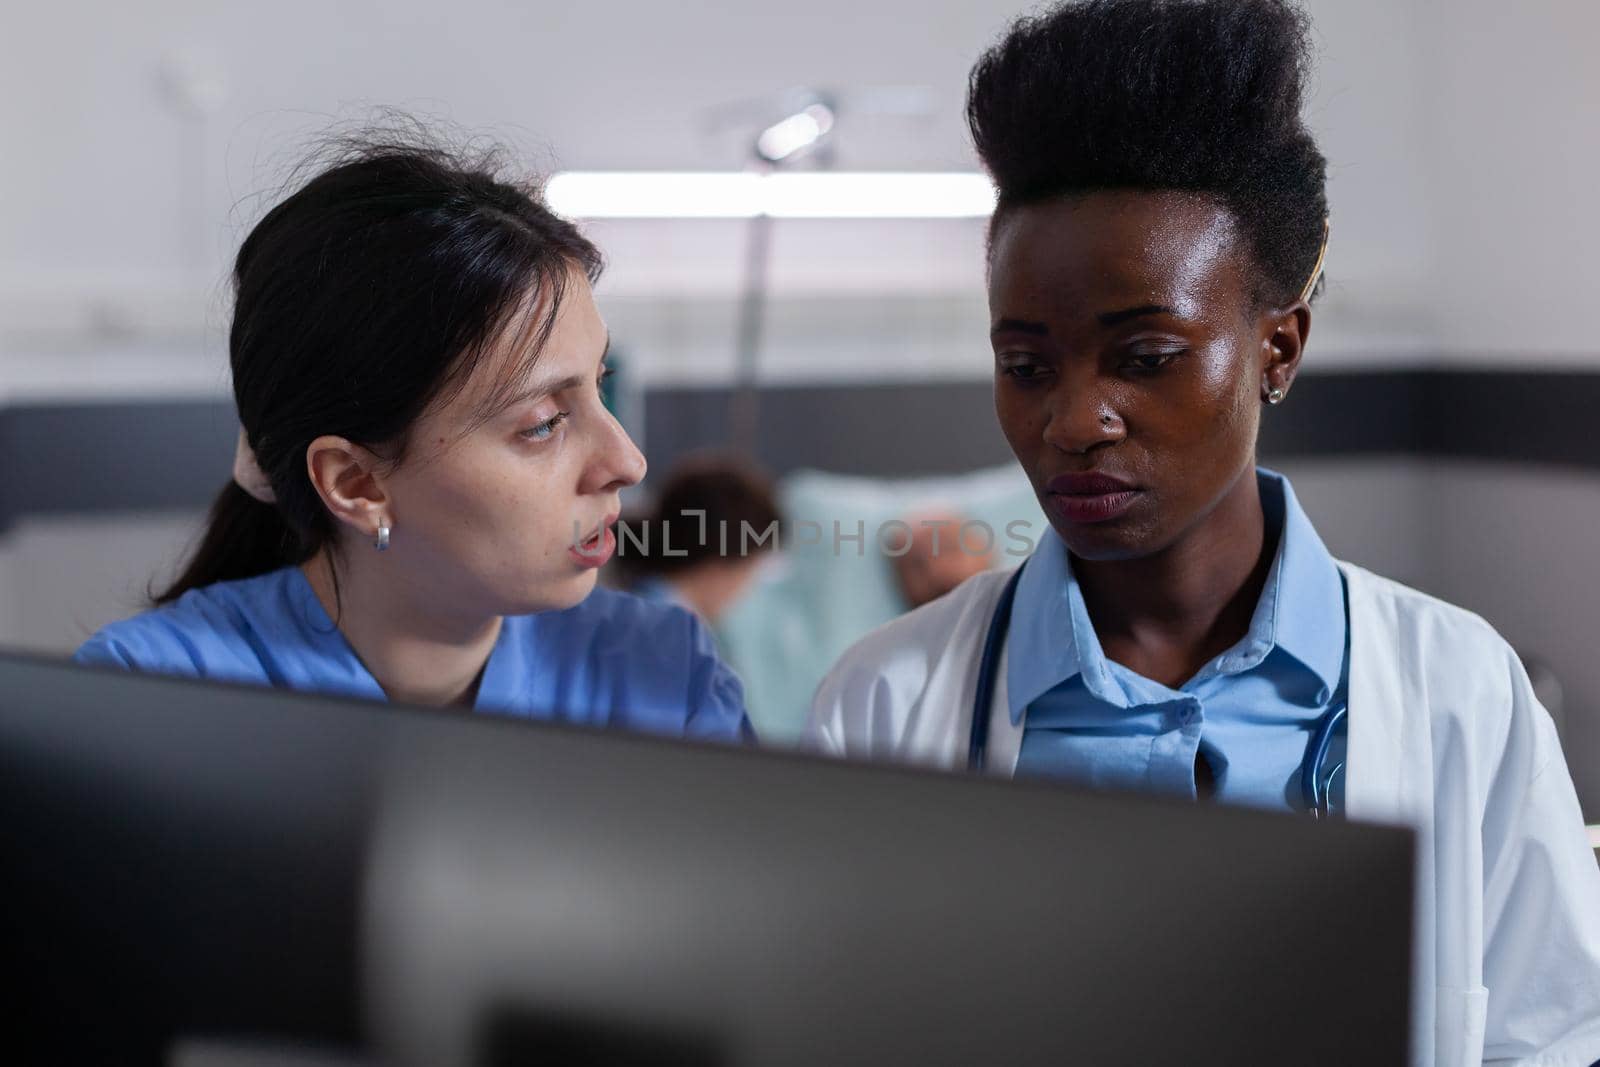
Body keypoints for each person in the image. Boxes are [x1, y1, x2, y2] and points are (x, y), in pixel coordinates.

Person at [806, 2, 1600, 1063]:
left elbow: (1549, 1038)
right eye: (1027, 364)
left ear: (1278, 349)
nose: (1072, 420)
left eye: (1143, 356)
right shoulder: (882, 707)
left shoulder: (1464, 693)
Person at [75, 130, 751, 744]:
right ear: (357, 483)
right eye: (543, 423)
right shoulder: (142, 702)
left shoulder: (664, 679)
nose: (626, 461)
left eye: (598, 384)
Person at [616, 453, 783, 626]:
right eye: (751, 570)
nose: (749, 588)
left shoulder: (642, 607)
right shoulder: (667, 630)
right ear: (719, 566)